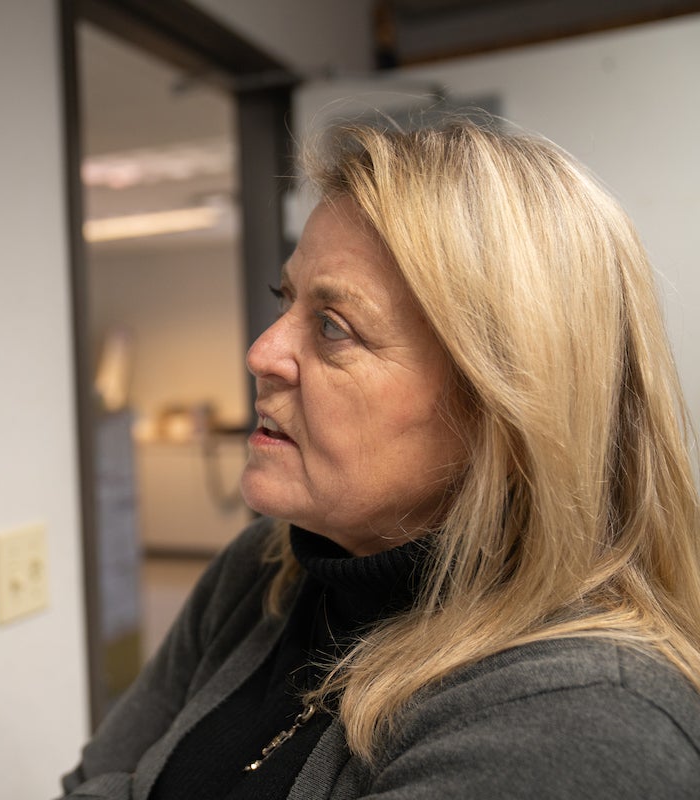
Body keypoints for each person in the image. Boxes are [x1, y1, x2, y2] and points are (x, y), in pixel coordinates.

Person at [59, 118, 700, 799]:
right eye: (287, 302)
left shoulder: (586, 721)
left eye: (335, 327)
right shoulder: (260, 574)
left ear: (503, 412)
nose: (262, 353)